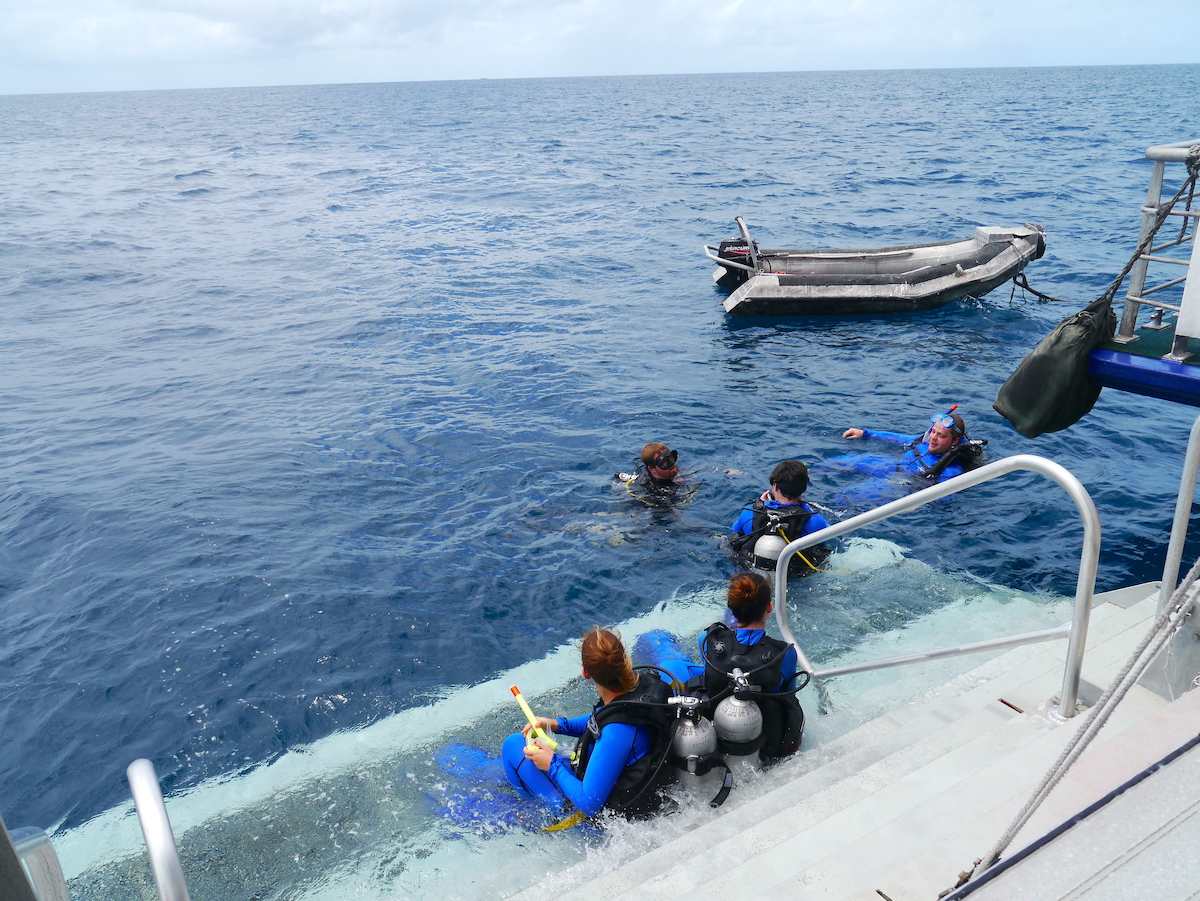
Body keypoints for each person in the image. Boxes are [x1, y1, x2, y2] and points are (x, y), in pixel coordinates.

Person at [501, 628, 675, 819]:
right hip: (634, 773)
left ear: (585, 673)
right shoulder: (639, 688)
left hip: (595, 813)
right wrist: (557, 724)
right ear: (624, 661)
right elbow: (604, 717)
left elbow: (590, 804)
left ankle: (555, 813)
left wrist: (552, 764)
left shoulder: (617, 733)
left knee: (513, 746)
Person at [651, 572, 806, 762]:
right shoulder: (784, 653)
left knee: (669, 662)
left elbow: (711, 672)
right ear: (769, 607)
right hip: (763, 736)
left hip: (716, 727)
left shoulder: (708, 639)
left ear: (731, 609)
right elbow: (788, 694)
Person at [730, 459, 831, 575]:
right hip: (795, 576)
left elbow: (735, 531)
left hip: (754, 574)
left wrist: (760, 505)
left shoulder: (749, 513)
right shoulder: (815, 521)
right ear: (804, 488)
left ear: (776, 487)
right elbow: (830, 533)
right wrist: (806, 508)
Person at [841, 408, 983, 484]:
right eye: (933, 431)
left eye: (941, 435)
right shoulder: (923, 442)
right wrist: (865, 433)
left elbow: (945, 495)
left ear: (954, 442)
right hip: (889, 465)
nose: (933, 437)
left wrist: (916, 502)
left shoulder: (950, 471)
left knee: (846, 497)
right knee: (836, 462)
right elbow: (897, 438)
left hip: (903, 484)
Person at [614, 442, 695, 506]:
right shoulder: (657, 493)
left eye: (671, 457)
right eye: (664, 462)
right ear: (652, 469)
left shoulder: (668, 470)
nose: (672, 463)